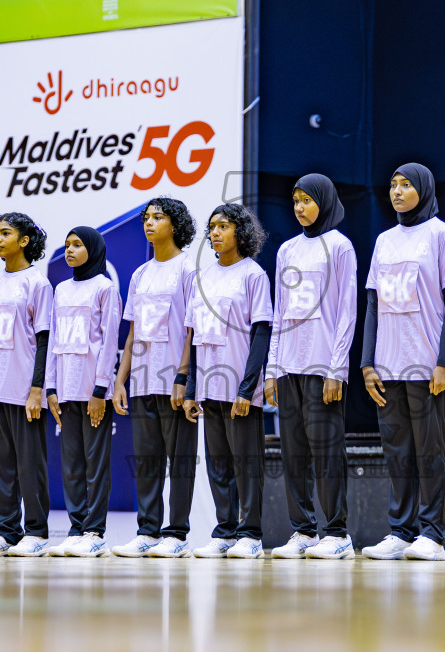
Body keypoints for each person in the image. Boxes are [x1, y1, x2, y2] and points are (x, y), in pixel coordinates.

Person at [360, 163, 445, 562]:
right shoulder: (384, 240)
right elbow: (372, 303)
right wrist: (367, 363)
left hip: (426, 364)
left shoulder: (442, 234)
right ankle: (400, 532)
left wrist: (444, 362)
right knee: (397, 452)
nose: (398, 191)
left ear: (423, 189)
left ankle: (432, 535)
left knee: (429, 451)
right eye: (393, 185)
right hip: (387, 366)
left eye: (406, 185)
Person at [264, 174, 359, 560]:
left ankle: (336, 533)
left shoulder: (339, 246)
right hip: (288, 365)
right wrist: (272, 368)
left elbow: (346, 309)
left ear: (324, 200)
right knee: (294, 452)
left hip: (323, 365)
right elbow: (279, 312)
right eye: (295, 200)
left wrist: (337, 369)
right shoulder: (286, 250)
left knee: (327, 451)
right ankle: (302, 530)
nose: (300, 207)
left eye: (307, 200)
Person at [111, 198, 199, 558]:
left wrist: (184, 377)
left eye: (158, 217)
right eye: (146, 218)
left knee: (179, 461)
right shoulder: (140, 274)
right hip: (143, 381)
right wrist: (120, 380)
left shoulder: (188, 269)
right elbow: (132, 333)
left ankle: (176, 534)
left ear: (175, 225)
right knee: (147, 460)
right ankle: (147, 530)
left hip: (174, 383)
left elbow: (193, 330)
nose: (149, 223)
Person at [187, 203, 274, 560]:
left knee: (246, 463)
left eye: (223, 226)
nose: (216, 233)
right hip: (210, 387)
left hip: (240, 385)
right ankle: (224, 532)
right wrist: (193, 387)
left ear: (241, 231)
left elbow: (261, 333)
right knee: (218, 463)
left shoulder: (253, 275)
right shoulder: (203, 276)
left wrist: (247, 387)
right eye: (212, 227)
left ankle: (250, 534)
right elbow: (195, 337)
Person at [0, 212, 53, 557]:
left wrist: (37, 388)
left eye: (5, 233)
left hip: (23, 389)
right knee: (0, 464)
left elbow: (44, 340)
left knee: (28, 463)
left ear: (24, 241)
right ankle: (7, 532)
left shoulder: (37, 283)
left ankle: (36, 532)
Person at [44, 226, 122, 557]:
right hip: (65, 388)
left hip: (92, 389)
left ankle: (94, 531)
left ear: (93, 248)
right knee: (71, 463)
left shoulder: (105, 289)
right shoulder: (60, 289)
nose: (70, 251)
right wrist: (49, 385)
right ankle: (76, 529)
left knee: (95, 463)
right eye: (67, 246)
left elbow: (109, 342)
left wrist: (100, 388)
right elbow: (53, 341)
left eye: (77, 245)